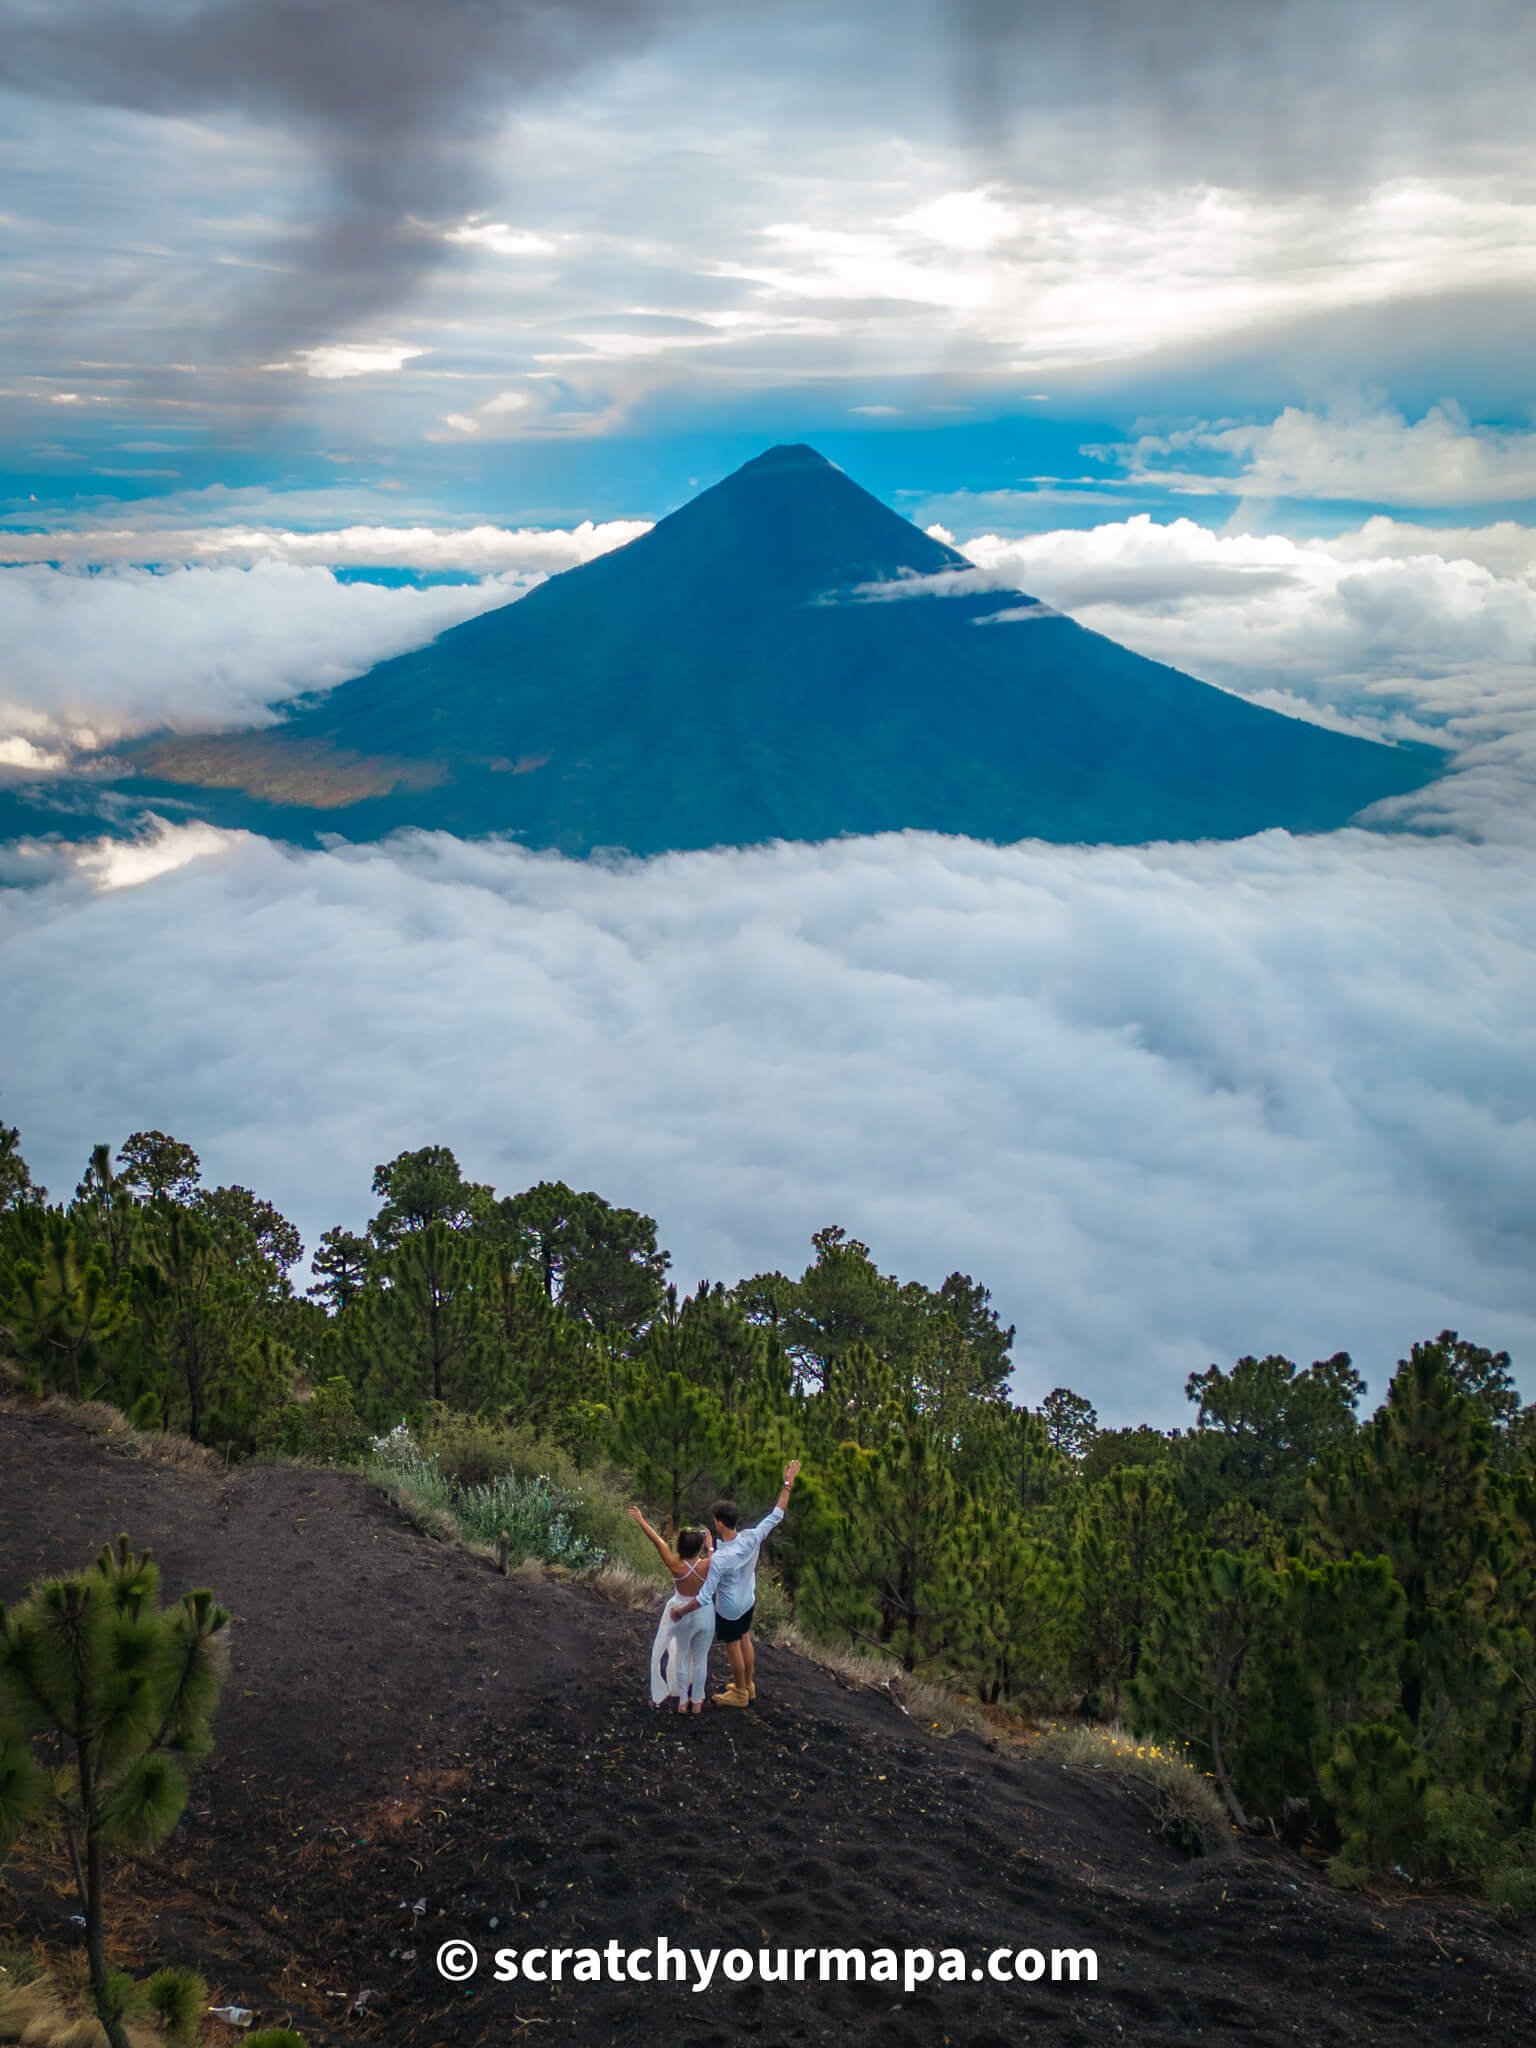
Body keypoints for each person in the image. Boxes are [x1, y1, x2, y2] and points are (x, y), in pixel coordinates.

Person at [670, 1460, 801, 1709]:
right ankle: (748, 1685)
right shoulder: (753, 1536)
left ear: (719, 1523)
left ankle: (740, 1693)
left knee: (734, 1648)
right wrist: (788, 1483)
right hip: (748, 1600)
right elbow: (777, 1513)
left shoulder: (719, 1558)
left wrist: (679, 1611)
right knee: (745, 1639)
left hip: (729, 1609)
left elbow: (705, 1596)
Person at [627, 1508, 715, 1713]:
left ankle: (683, 1701)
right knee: (701, 1658)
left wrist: (641, 1520)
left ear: (681, 1547)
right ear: (699, 1547)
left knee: (682, 1655)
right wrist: (710, 1548)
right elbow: (718, 1562)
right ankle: (698, 1701)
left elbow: (657, 1541)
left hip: (680, 1611)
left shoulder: (675, 1565)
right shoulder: (708, 1564)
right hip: (704, 1612)